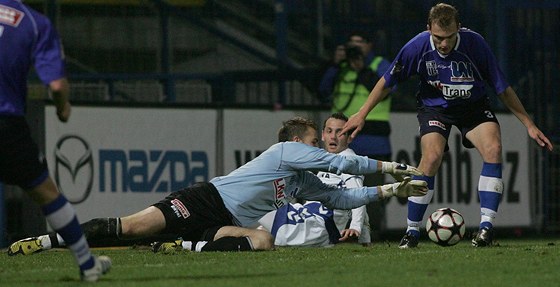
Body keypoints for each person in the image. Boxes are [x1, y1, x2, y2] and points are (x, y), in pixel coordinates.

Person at [8, 117, 428, 254]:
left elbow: (341, 194)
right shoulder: (285, 152)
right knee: (130, 229)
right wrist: (390, 166)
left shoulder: (300, 178)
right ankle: (45, 242)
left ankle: (187, 246)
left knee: (262, 241)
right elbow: (339, 161)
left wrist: (388, 192)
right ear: (297, 142)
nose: (320, 147)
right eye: (315, 141)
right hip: (204, 200)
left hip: (224, 220)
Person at [340, 3, 554, 249]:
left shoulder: (475, 44)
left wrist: (529, 124)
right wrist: (362, 113)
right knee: (430, 159)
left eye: (450, 37)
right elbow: (388, 81)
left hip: (472, 108)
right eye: (438, 37)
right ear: (429, 29)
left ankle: (486, 228)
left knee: (494, 149)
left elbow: (502, 89)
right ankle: (412, 232)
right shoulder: (417, 46)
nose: (444, 43)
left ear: (459, 29)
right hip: (435, 109)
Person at [0, 0, 111, 281]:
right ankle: (88, 266)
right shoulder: (34, 23)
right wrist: (63, 108)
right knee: (47, 193)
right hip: (6, 124)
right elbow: (57, 84)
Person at [318, 32, 394, 240]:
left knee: (372, 191)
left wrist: (362, 68)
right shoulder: (340, 68)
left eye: (359, 43)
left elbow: (387, 89)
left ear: (369, 45)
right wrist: (334, 65)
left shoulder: (379, 64)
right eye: (351, 43)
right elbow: (321, 90)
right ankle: (332, 233)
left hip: (373, 142)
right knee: (336, 189)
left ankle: (373, 235)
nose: (355, 47)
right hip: (341, 142)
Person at [257, 113, 371, 247]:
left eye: (340, 132)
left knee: (255, 204)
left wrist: (356, 228)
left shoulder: (349, 160)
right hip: (306, 216)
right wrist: (365, 240)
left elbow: (359, 196)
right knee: (261, 229)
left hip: (318, 225)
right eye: (329, 131)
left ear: (349, 138)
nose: (333, 136)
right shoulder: (325, 162)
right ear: (323, 135)